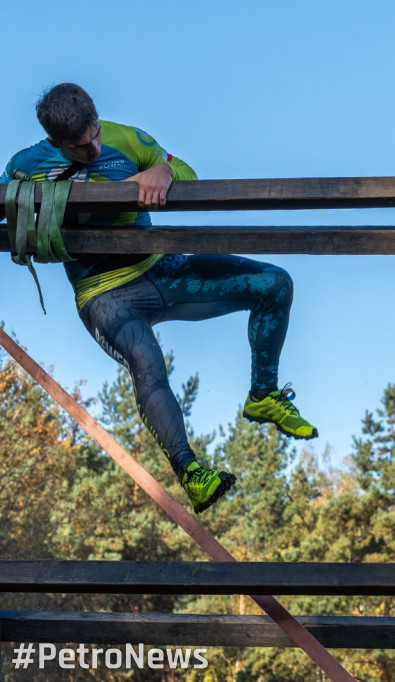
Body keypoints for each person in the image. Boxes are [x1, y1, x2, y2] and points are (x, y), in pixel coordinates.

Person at [1, 83, 318, 514]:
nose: (94, 148)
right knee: (147, 362)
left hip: (161, 270)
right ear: (56, 142)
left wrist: (164, 172)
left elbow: (187, 173)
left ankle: (263, 395)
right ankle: (192, 473)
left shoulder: (128, 138)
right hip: (106, 295)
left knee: (273, 284)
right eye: (81, 147)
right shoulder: (26, 166)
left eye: (95, 135)